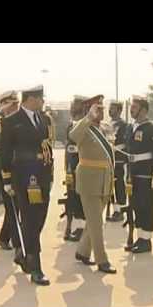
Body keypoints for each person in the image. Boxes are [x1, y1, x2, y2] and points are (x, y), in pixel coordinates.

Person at [0, 85, 53, 286]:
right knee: (30, 219)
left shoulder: (42, 119)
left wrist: (50, 174)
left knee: (40, 216)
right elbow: (4, 153)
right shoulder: (11, 121)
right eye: (41, 99)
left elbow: (46, 146)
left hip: (42, 175)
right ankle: (36, 268)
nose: (43, 102)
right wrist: (6, 180)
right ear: (31, 99)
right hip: (24, 178)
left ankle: (24, 250)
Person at [69, 95, 117, 274]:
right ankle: (102, 260)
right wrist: (88, 118)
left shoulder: (104, 128)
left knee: (93, 221)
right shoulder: (81, 126)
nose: (101, 111)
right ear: (89, 110)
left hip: (105, 179)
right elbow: (73, 136)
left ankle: (82, 251)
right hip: (89, 180)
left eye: (102, 108)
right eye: (98, 108)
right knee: (97, 223)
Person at [124, 95, 153, 253]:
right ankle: (140, 237)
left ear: (144, 110)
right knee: (136, 206)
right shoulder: (130, 128)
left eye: (134, 107)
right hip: (132, 173)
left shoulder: (152, 129)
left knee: (146, 206)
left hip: (146, 173)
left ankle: (146, 239)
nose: (131, 110)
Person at [0, 90, 21, 251]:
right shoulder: (5, 123)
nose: (16, 107)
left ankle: (5, 238)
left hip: (18, 171)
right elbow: (4, 154)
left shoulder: (16, 122)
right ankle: (13, 241)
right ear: (6, 107)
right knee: (12, 208)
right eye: (13, 105)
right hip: (8, 172)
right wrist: (6, 179)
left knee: (14, 207)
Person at [63, 95, 89, 241]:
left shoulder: (87, 124)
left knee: (82, 198)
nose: (72, 107)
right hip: (71, 168)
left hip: (84, 167)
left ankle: (82, 228)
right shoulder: (71, 124)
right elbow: (69, 149)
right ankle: (76, 227)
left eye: (75, 105)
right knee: (73, 198)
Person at [106, 100, 128, 222]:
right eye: (110, 108)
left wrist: (114, 148)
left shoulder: (124, 125)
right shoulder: (106, 124)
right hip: (108, 160)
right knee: (111, 186)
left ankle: (120, 210)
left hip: (119, 159)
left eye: (113, 108)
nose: (110, 110)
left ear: (119, 110)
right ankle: (115, 209)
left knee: (119, 184)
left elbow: (125, 143)